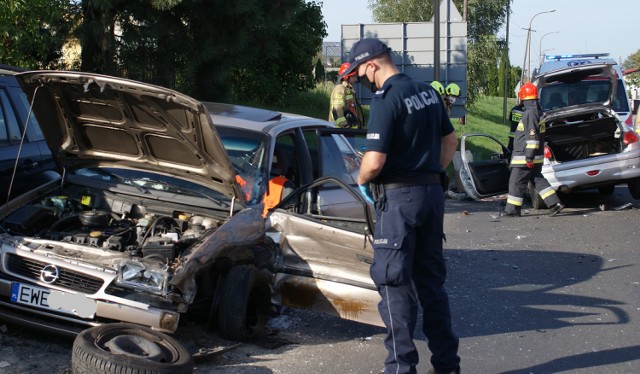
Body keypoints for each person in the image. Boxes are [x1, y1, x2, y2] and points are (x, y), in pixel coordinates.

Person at [341, 38, 460, 374]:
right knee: (431, 283)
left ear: (373, 64)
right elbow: (449, 141)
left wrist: (360, 179)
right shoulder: (426, 92)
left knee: (394, 285)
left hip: (399, 201)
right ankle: (448, 366)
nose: (362, 81)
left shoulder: (387, 99)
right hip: (430, 194)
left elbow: (375, 162)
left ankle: (400, 368)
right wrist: (433, 172)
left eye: (360, 74)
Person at [502, 82, 565, 217]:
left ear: (524, 97)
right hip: (535, 156)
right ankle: (555, 204)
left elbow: (532, 136)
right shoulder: (537, 112)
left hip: (525, 156)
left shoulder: (530, 113)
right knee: (537, 180)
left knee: (516, 182)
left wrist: (529, 157)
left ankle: (512, 210)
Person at [329, 62, 365, 128]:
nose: (355, 79)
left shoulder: (349, 90)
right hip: (340, 132)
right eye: (353, 76)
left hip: (348, 131)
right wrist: (345, 126)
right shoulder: (340, 89)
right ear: (346, 77)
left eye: (355, 76)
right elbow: (337, 109)